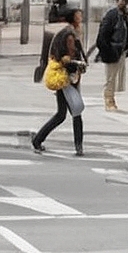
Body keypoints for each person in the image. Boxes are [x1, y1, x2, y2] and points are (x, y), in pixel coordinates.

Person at [32, 8, 88, 155]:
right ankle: (78, 146)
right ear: (73, 20)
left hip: (66, 78)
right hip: (67, 80)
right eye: (78, 17)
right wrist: (78, 65)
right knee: (76, 112)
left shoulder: (69, 33)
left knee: (61, 115)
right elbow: (68, 58)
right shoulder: (69, 36)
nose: (81, 19)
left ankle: (38, 140)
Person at [95, 0, 128, 111]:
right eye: (120, 0)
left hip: (121, 51)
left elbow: (127, 33)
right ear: (117, 1)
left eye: (125, 1)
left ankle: (111, 99)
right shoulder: (112, 15)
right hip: (113, 50)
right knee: (110, 78)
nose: (122, 3)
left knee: (117, 79)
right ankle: (109, 101)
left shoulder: (125, 16)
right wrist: (106, 50)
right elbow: (102, 35)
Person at [35, 0, 70, 84]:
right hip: (52, 34)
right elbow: (52, 20)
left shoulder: (61, 10)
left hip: (55, 35)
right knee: (49, 56)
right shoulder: (55, 10)